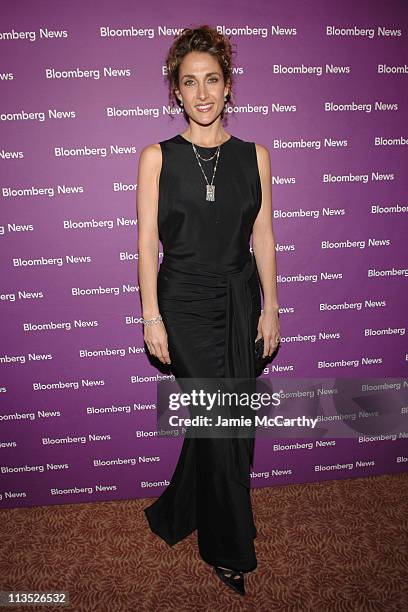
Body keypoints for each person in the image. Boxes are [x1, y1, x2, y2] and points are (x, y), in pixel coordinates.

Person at [136, 25, 280, 596]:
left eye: (211, 80)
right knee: (220, 424)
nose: (201, 93)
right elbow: (147, 242)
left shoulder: (256, 156)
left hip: (240, 298)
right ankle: (228, 547)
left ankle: (180, 509)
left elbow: (264, 237)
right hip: (185, 303)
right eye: (188, 82)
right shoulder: (156, 157)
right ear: (176, 90)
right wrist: (152, 316)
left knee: (229, 423)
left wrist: (271, 308)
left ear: (227, 87)